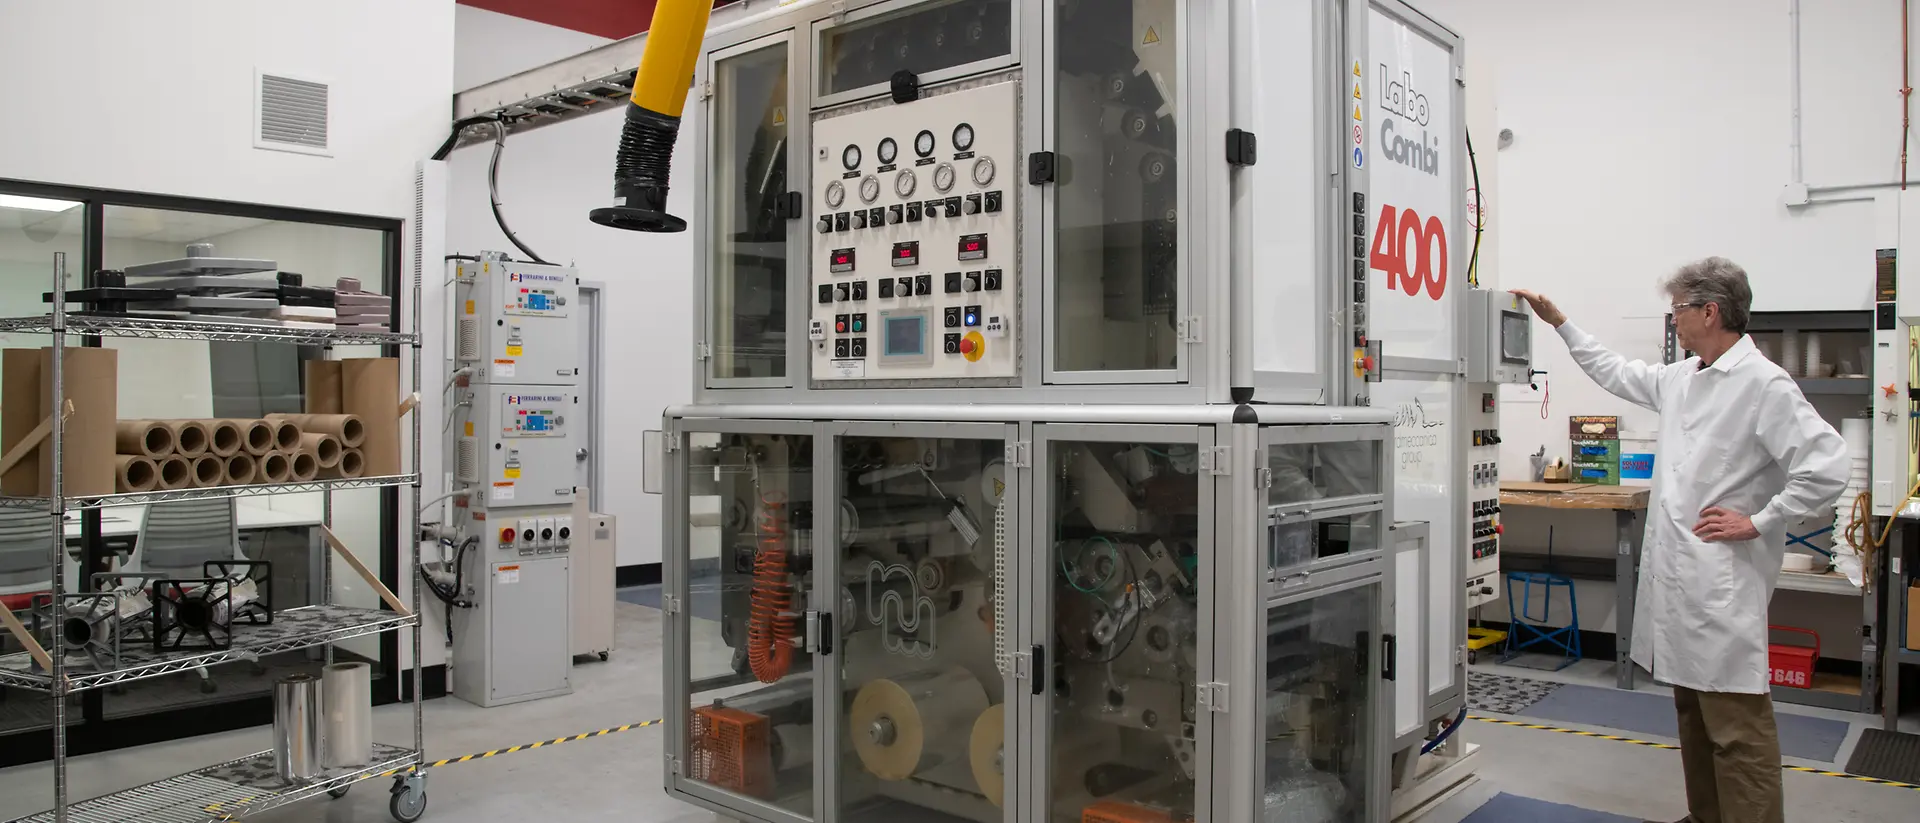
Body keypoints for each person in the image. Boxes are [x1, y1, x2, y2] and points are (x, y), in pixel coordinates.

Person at [1511, 257, 1848, 823]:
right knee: (1692, 714)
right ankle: (1707, 815)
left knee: (1737, 729)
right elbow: (1615, 371)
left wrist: (1760, 520)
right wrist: (1560, 323)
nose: (1675, 320)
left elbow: (1828, 467)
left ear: (1709, 312)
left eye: (1679, 310)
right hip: (1682, 582)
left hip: (1723, 586)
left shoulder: (1763, 384)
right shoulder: (1685, 378)